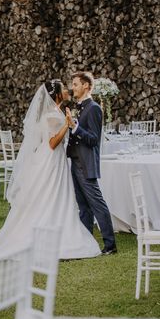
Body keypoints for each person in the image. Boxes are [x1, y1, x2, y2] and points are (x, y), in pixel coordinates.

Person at [0, 80, 100, 259]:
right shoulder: (52, 115)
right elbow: (52, 143)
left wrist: (67, 122)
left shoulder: (54, 111)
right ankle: (47, 234)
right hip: (51, 159)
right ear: (57, 94)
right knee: (51, 195)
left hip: (53, 159)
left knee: (53, 196)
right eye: (63, 88)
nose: (67, 90)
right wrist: (67, 125)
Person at [67, 71, 117, 255]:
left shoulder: (94, 108)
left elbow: (94, 139)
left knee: (97, 204)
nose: (73, 88)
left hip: (86, 163)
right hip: (75, 161)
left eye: (76, 84)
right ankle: (85, 242)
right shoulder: (78, 107)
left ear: (86, 86)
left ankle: (110, 245)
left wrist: (75, 127)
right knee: (83, 206)